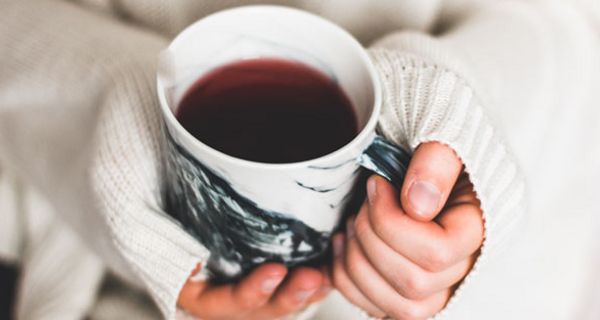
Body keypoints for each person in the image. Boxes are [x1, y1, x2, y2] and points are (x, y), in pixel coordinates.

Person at [0, 0, 599, 319]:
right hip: (111, 277)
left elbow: (571, 30)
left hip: (478, 289)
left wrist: (467, 116)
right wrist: (119, 109)